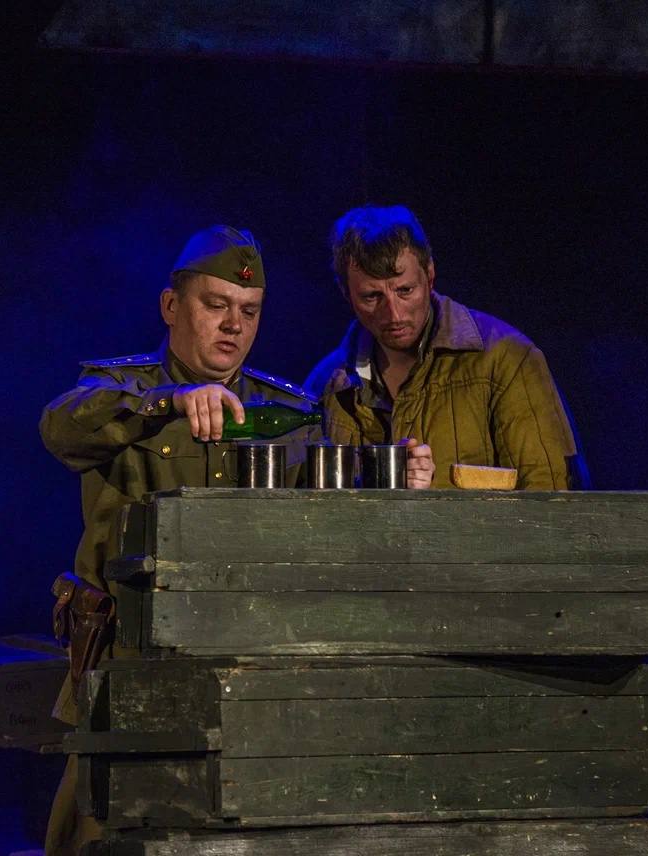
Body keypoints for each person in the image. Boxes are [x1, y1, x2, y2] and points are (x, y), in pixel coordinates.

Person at [37, 224, 435, 854]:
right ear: (172, 306)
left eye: (249, 312)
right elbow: (60, 428)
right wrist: (168, 403)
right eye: (216, 305)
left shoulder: (287, 414)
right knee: (103, 831)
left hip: (246, 670)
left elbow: (330, 532)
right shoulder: (124, 393)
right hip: (129, 668)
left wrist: (396, 485)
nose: (233, 325)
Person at [305, 205, 585, 489]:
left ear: (429, 275)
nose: (394, 314)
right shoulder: (327, 384)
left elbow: (547, 496)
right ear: (346, 294)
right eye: (371, 296)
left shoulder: (506, 359)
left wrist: (432, 492)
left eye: (405, 290)